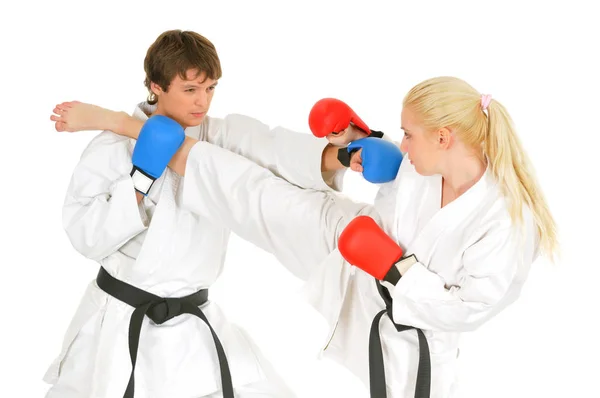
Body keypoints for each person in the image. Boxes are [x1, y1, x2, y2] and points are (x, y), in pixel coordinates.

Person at [51, 76, 557, 397]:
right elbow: (266, 154)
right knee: (252, 192)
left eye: (409, 134)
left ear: (444, 138)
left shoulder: (508, 221)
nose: (404, 143)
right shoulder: (429, 167)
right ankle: (125, 124)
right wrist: (357, 148)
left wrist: (394, 268)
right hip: (353, 242)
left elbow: (468, 307)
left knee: (249, 189)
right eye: (190, 89)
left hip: (398, 302)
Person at [44, 29, 384, 398]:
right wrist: (140, 184)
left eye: (210, 89)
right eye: (190, 90)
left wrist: (344, 156)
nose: (202, 102)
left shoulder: (220, 135)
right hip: (119, 322)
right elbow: (85, 237)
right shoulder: (110, 147)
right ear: (156, 86)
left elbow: (272, 150)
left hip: (193, 324)